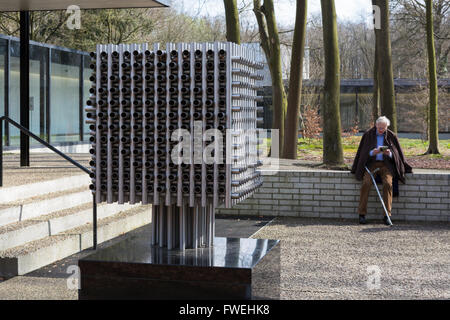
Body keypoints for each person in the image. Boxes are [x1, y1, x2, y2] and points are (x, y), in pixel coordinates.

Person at [351, 116, 412, 225]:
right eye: (379, 127)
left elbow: (397, 154)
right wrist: (372, 153)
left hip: (386, 165)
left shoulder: (392, 136)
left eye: (383, 128)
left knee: (388, 184)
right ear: (375, 125)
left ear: (387, 127)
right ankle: (362, 214)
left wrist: (389, 154)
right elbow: (362, 152)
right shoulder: (368, 134)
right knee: (366, 183)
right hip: (371, 164)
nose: (380, 130)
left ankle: (386, 215)